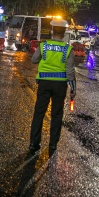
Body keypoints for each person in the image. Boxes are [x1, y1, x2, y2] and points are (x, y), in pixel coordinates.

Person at [29, 19, 76, 156]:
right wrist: (73, 89)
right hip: (60, 86)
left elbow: (33, 60)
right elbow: (70, 72)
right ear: (64, 33)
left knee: (39, 113)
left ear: (51, 31)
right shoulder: (68, 49)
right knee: (57, 114)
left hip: (44, 84)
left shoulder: (44, 46)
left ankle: (34, 143)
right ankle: (53, 144)